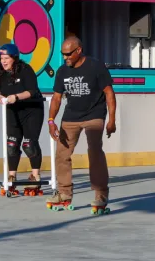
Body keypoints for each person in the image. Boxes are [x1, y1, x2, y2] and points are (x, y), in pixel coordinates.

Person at [46, 37, 116, 213]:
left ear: (79, 50)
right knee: (62, 154)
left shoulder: (96, 66)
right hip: (71, 116)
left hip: (94, 115)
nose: (65, 58)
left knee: (94, 152)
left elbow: (109, 93)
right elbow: (56, 98)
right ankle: (64, 193)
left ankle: (100, 194)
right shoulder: (62, 71)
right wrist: (51, 120)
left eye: (68, 54)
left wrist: (112, 119)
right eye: (63, 54)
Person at [0, 43, 45, 196]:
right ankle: (12, 175)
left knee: (29, 144)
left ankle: (35, 176)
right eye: (2, 58)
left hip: (31, 110)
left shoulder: (25, 70)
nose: (4, 61)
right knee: (12, 144)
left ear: (14, 58)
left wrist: (16, 97)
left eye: (6, 58)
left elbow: (32, 91)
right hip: (12, 111)